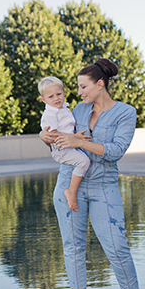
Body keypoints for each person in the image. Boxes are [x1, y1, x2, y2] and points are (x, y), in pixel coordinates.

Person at [40, 58, 145, 289]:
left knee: (117, 247)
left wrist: (80, 142)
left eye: (83, 86)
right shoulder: (76, 110)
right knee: (73, 246)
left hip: (103, 185)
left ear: (100, 84)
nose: (79, 92)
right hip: (69, 183)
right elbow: (59, 139)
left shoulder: (125, 112)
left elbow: (115, 151)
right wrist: (43, 137)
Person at [38, 76, 90, 211]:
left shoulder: (64, 108)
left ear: (64, 92)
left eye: (59, 94)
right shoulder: (50, 114)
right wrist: (75, 138)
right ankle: (71, 192)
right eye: (51, 97)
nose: (56, 99)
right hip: (61, 148)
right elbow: (54, 134)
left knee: (84, 160)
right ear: (44, 100)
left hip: (68, 145)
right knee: (84, 161)